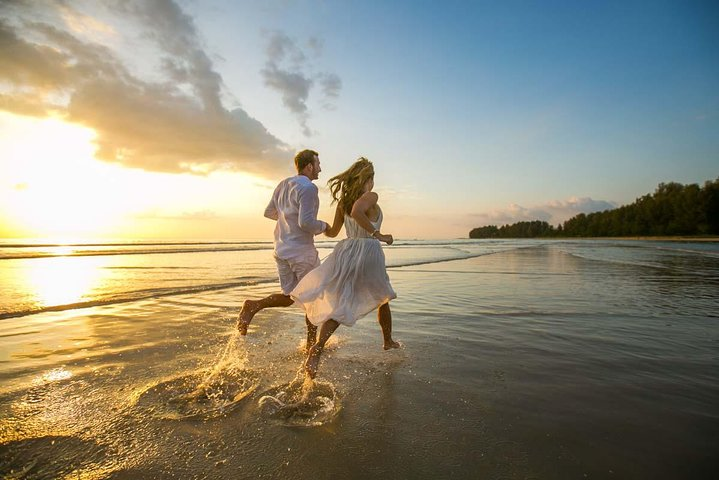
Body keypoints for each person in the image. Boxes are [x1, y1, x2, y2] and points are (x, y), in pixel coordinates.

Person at [290, 157, 400, 378]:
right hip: (368, 251)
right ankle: (387, 341)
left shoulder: (343, 202)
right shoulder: (371, 197)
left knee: (344, 301)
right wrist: (379, 234)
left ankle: (318, 347)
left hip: (347, 250)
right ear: (368, 178)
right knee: (383, 296)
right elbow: (359, 212)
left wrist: (316, 226)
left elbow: (332, 232)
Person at [237, 149, 328, 351]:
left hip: (281, 249)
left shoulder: (283, 184)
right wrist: (324, 226)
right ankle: (311, 347)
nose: (320, 168)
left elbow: (269, 212)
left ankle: (254, 305)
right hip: (301, 252)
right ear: (309, 166)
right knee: (313, 298)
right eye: (318, 164)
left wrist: (287, 220)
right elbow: (306, 223)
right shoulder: (309, 188)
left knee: (288, 297)